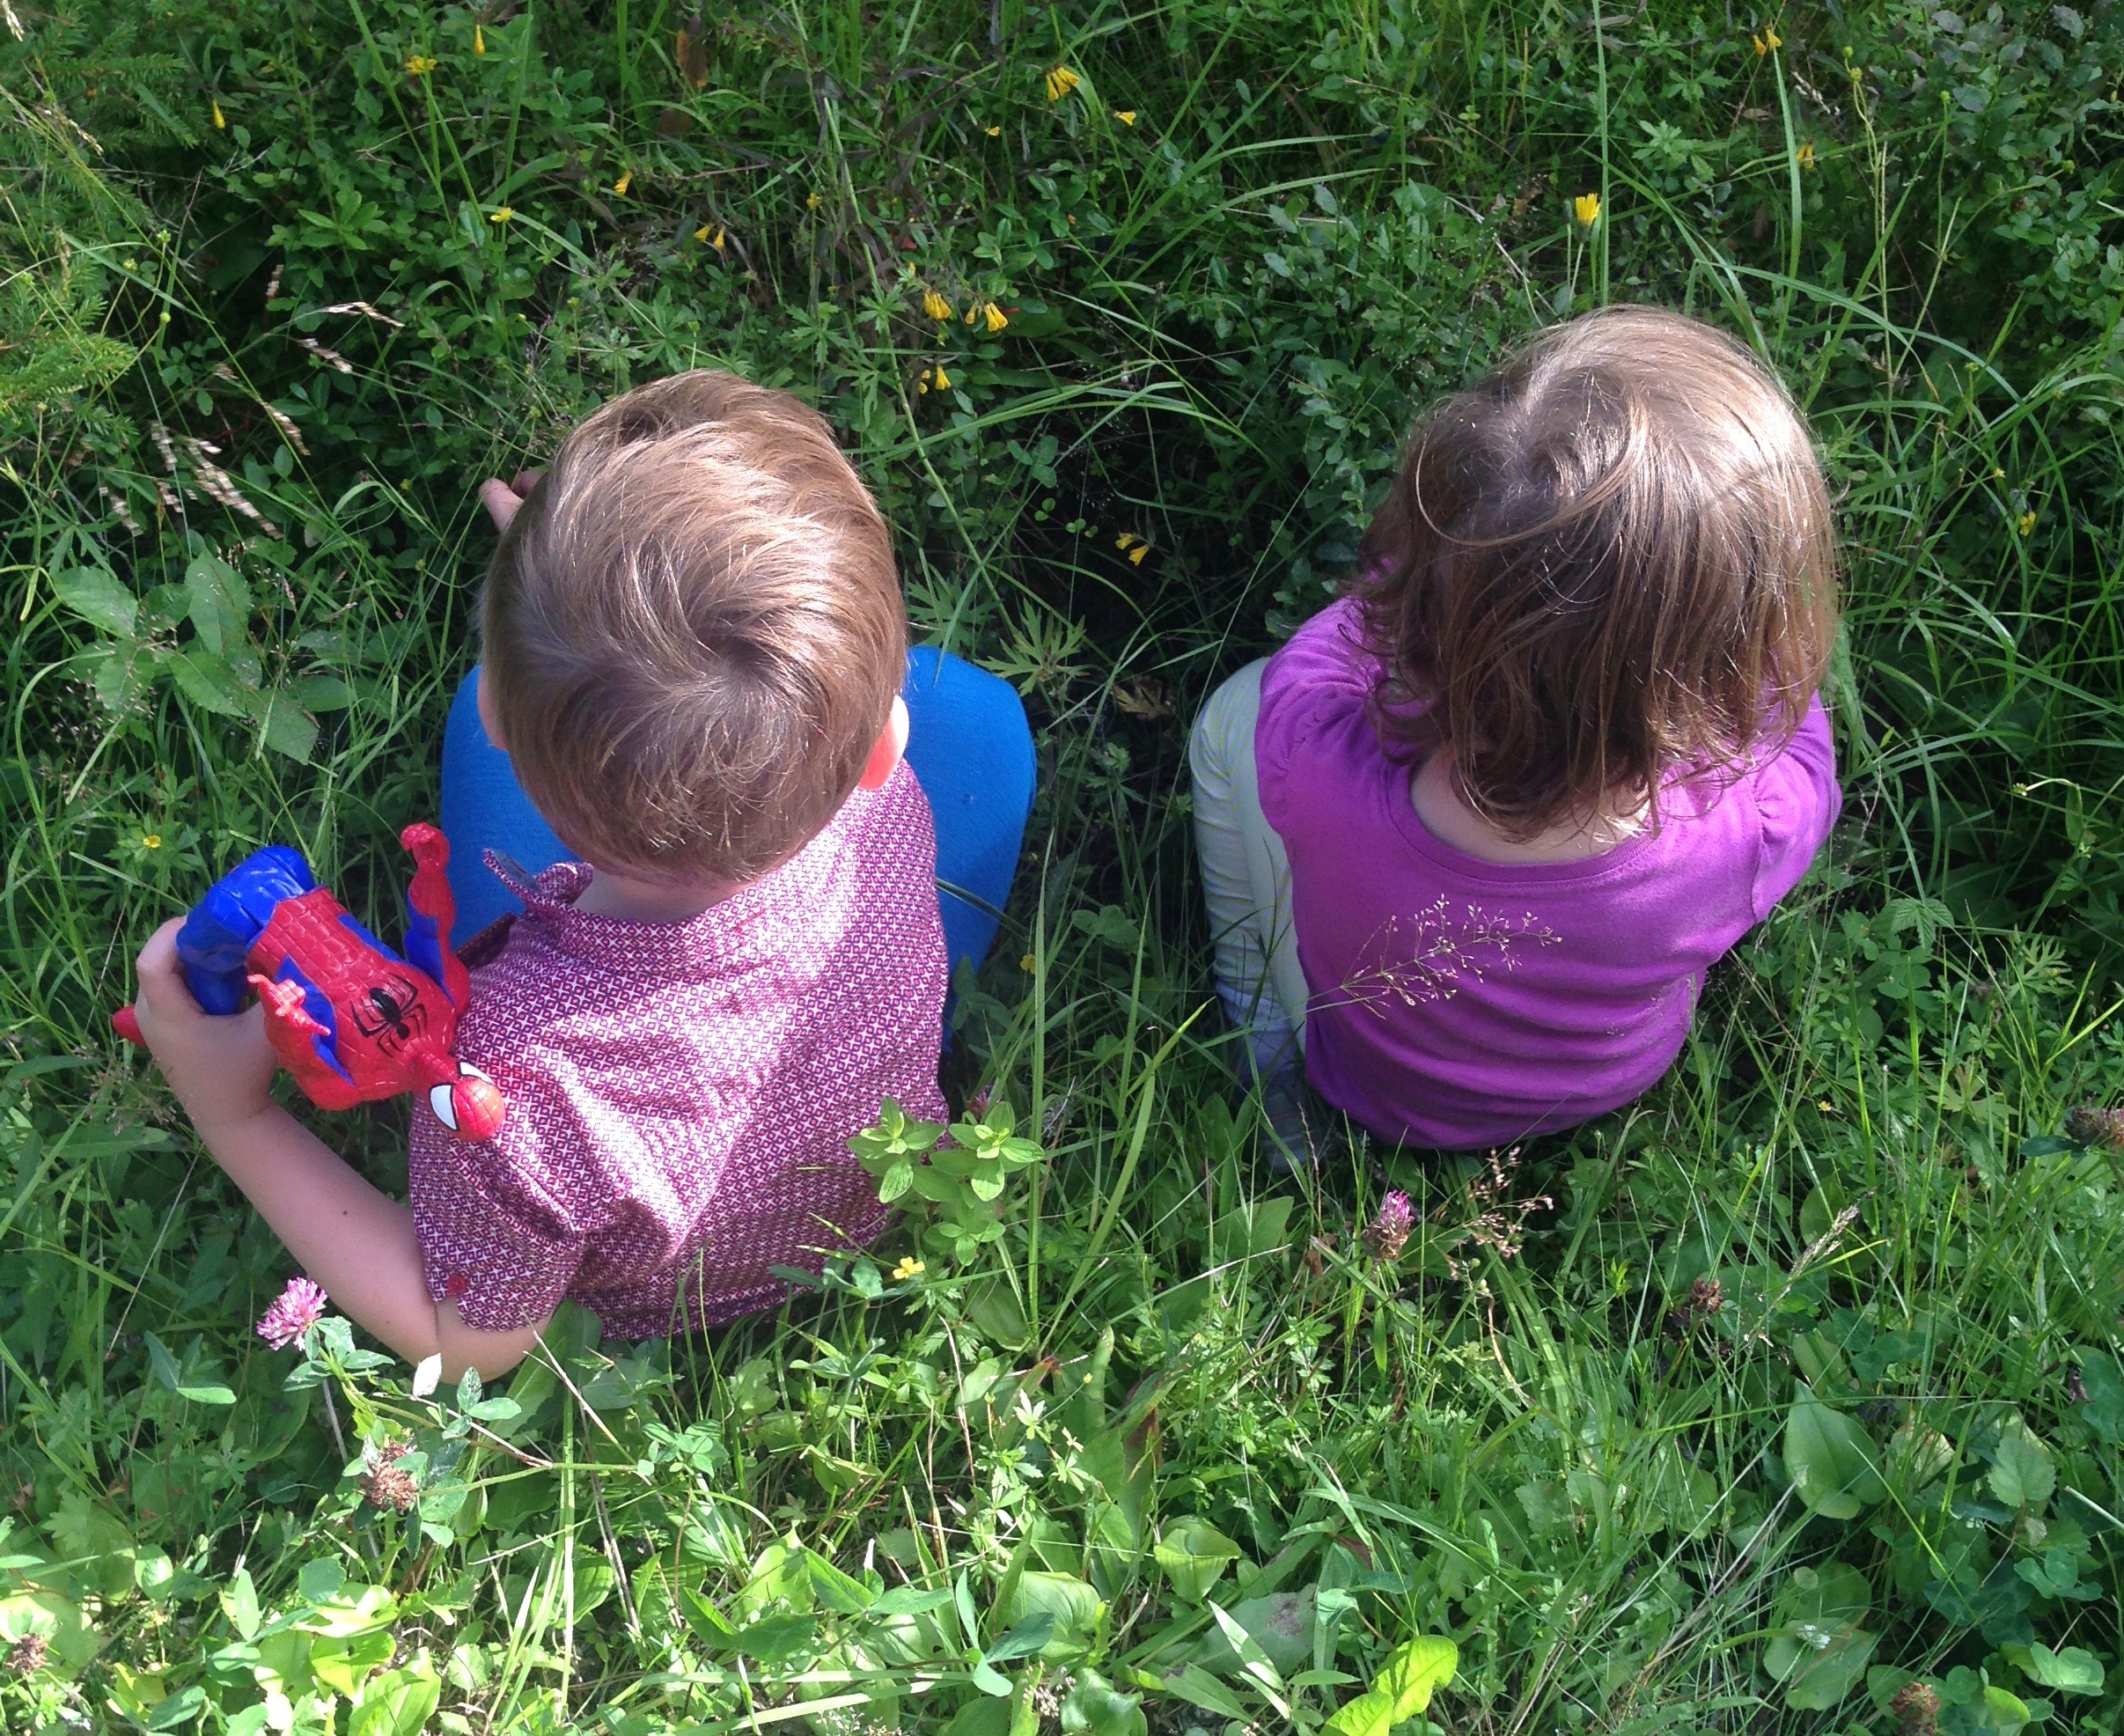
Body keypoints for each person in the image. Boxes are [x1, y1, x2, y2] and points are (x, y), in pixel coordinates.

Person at [127, 372, 1033, 1381]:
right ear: (880, 743)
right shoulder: (884, 813)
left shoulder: (510, 1078)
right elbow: (786, 692)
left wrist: (232, 1113)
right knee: (987, 726)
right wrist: (586, 585)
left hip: (663, 1305)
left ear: (502, 731)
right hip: (868, 1191)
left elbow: (467, 1342)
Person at [1190, 305, 1841, 1156]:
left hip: (1372, 1079)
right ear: (1719, 663)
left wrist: (1435, 572)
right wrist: (1741, 643)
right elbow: (1796, 730)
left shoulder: (1316, 760)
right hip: (1602, 1084)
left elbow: (1341, 638)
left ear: (1426, 612)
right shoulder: (1749, 832)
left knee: (1231, 710)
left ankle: (1262, 1035)